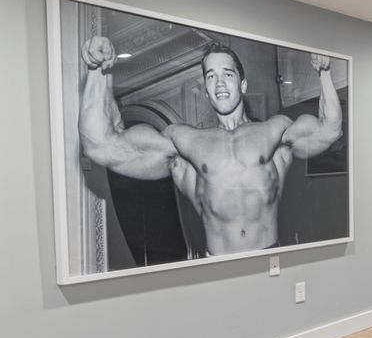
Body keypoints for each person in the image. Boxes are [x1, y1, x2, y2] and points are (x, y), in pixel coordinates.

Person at [78, 38, 343, 254]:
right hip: (218, 266)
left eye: (227, 74)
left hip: (270, 258)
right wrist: (97, 70)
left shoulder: (275, 131)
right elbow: (100, 146)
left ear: (242, 83)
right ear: (205, 89)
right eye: (211, 77)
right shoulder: (184, 141)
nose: (219, 84)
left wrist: (324, 73)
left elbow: (329, 129)